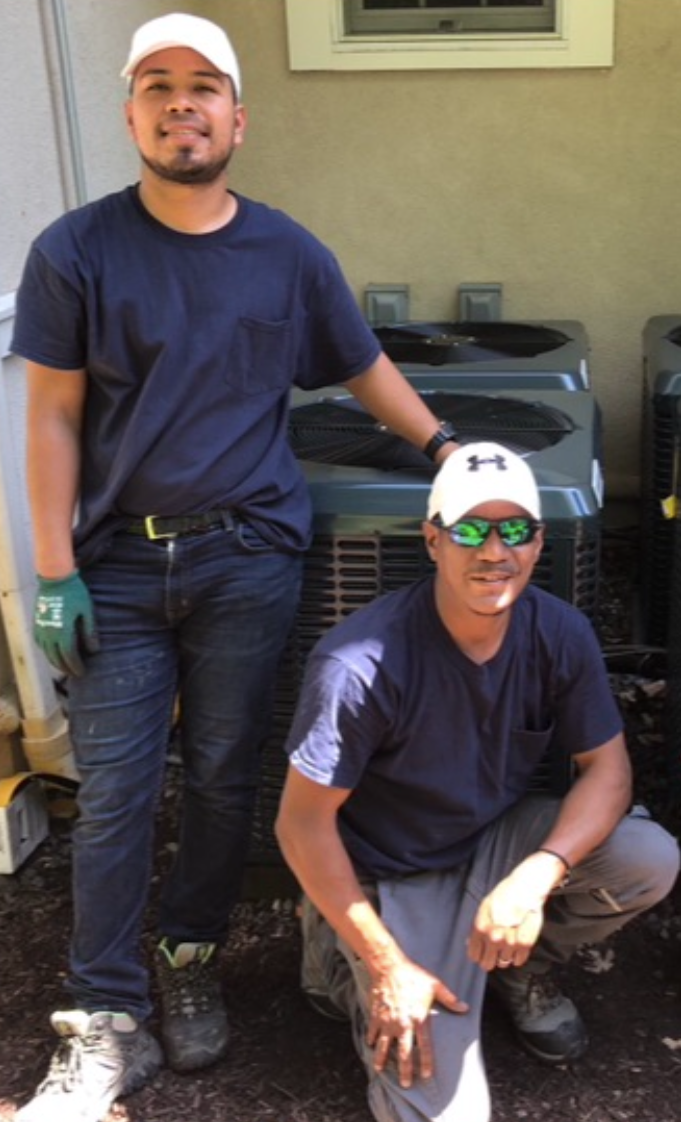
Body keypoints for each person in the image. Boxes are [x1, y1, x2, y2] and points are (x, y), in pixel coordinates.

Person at [11, 13, 461, 1122]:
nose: (181, 104)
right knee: (116, 790)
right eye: (157, 86)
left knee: (222, 772)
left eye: (203, 87)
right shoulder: (75, 251)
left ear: (237, 118)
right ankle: (104, 1017)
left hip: (249, 556)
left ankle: (189, 951)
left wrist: (449, 451)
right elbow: (54, 415)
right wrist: (54, 569)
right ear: (130, 115)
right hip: (116, 565)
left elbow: (361, 366)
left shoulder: (289, 253)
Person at [275, 441, 680, 1122]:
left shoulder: (560, 632)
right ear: (433, 540)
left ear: (538, 541)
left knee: (647, 859)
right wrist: (385, 965)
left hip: (492, 848)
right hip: (392, 873)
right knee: (446, 1111)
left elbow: (608, 772)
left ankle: (515, 965)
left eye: (515, 529)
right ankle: (339, 958)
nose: (495, 550)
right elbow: (301, 824)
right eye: (470, 529)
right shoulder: (360, 664)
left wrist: (536, 877)